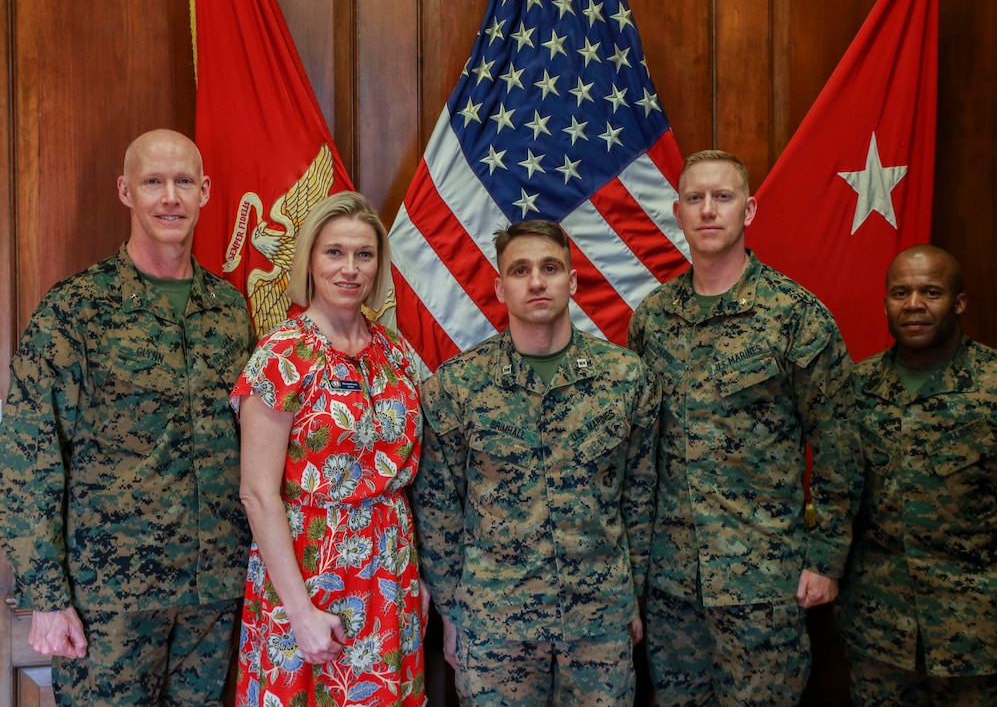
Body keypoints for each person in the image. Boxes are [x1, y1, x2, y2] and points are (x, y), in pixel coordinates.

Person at [0, 129, 254, 705]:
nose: (170, 197)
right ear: (125, 191)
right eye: (154, 182)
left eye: (184, 182)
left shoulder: (230, 310)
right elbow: (28, 456)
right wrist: (45, 594)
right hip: (108, 599)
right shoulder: (75, 310)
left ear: (205, 192)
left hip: (214, 594)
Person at [627, 149, 862, 705]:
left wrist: (826, 559)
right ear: (678, 213)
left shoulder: (795, 315)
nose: (708, 210)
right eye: (695, 198)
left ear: (749, 210)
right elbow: (639, 452)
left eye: (723, 197)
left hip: (763, 581)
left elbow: (839, 443)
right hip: (672, 586)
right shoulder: (652, 319)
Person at [413, 220, 659, 705]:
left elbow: (641, 497)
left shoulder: (626, 379)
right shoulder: (456, 387)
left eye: (550, 268)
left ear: (572, 281)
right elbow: (438, 511)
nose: (537, 281)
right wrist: (454, 613)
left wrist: (630, 595)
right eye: (520, 270)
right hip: (494, 627)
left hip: (599, 621)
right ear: (500, 287)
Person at [839, 244, 997, 705]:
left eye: (931, 292)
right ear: (886, 303)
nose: (914, 304)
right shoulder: (856, 389)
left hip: (984, 637)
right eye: (901, 292)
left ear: (959, 302)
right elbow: (836, 503)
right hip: (880, 637)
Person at [231, 190, 427, 707]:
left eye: (364, 255)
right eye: (334, 253)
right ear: (310, 262)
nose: (350, 269)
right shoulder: (283, 352)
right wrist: (300, 613)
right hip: (309, 573)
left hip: (390, 575)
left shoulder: (393, 350)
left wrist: (416, 578)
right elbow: (257, 494)